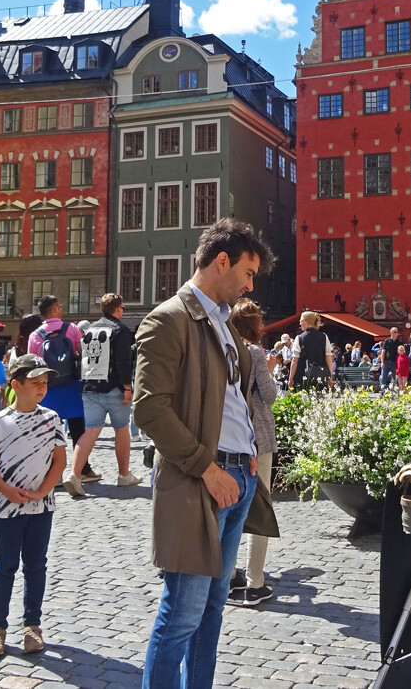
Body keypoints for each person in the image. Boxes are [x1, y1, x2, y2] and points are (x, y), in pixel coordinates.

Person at [132, 218, 278, 689]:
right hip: (200, 480)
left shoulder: (222, 321)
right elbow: (149, 410)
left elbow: (235, 398)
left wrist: (249, 450)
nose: (250, 284)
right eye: (248, 272)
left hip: (238, 476)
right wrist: (208, 467)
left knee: (213, 610)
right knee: (183, 614)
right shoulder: (169, 318)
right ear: (221, 261)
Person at [0, 353, 68, 658]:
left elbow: (60, 460)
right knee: (4, 568)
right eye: (35, 383)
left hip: (42, 509)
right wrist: (7, 491)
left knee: (36, 567)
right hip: (7, 510)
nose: (42, 388)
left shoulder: (52, 418)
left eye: (44, 383)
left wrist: (44, 490)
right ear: (16, 384)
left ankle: (32, 627)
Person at [62, 293, 142, 497]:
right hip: (114, 387)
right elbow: (123, 361)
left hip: (90, 387)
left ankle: (74, 474)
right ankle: (124, 475)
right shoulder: (120, 330)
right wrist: (127, 386)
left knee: (89, 432)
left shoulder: (89, 329)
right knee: (121, 429)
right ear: (118, 308)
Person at [228, 298, 278, 607]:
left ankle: (228, 575)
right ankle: (255, 582)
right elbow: (269, 396)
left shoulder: (225, 347)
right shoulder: (256, 352)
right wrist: (270, 371)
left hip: (229, 437)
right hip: (257, 436)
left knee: (231, 509)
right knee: (259, 509)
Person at [28, 298, 99, 485]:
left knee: (51, 430)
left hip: (49, 388)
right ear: (55, 308)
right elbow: (83, 354)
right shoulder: (72, 329)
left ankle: (54, 474)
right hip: (72, 386)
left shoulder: (35, 335)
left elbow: (32, 365)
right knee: (78, 429)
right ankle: (82, 470)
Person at [288, 311, 333, 390]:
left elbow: (295, 360)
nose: (300, 323)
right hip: (321, 375)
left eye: (301, 321)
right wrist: (329, 376)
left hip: (303, 376)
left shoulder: (299, 338)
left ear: (308, 322)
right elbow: (329, 358)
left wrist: (291, 378)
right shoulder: (324, 337)